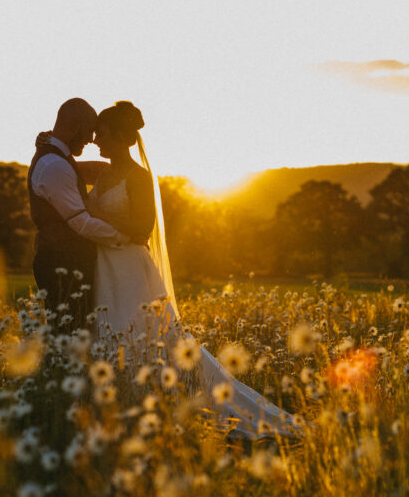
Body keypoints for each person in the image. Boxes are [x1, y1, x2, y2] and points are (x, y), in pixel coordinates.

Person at [86, 101, 299, 440]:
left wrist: (94, 211)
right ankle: (131, 412)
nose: (96, 138)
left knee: (150, 337)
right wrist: (47, 148)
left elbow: (142, 227)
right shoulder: (103, 172)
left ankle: (220, 411)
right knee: (114, 339)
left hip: (131, 270)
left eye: (101, 132)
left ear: (119, 136)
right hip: (107, 269)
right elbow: (65, 168)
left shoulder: (139, 177)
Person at [26, 98, 129, 328]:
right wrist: (125, 238)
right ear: (74, 126)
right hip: (62, 263)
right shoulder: (55, 164)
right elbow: (80, 222)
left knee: (73, 333)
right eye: (88, 131)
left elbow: (103, 172)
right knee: (69, 335)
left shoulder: (60, 159)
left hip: (69, 262)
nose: (92, 140)